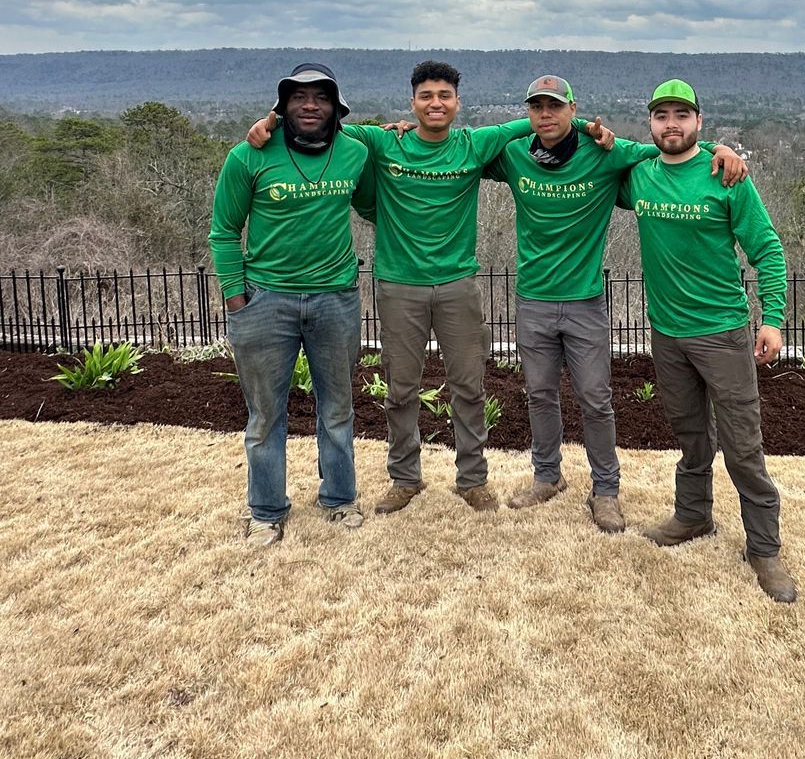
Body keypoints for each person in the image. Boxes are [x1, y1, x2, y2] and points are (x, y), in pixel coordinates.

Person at [248, 60, 587, 517]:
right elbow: (321, 127)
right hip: (398, 286)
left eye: (444, 96)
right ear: (412, 102)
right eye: (426, 96)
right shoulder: (383, 141)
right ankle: (404, 477)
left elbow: (542, 119)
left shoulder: (474, 144)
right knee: (401, 390)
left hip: (457, 285)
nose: (435, 104)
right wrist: (266, 125)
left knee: (468, 386)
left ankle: (472, 479)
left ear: (457, 104)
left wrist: (590, 127)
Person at [484, 74, 746, 534]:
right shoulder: (512, 156)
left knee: (595, 400)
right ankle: (547, 477)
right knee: (540, 395)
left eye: (555, 106)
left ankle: (605, 490)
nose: (545, 115)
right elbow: (462, 150)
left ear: (572, 107)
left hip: (584, 301)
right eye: (536, 108)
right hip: (533, 300)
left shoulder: (607, 153)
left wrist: (719, 150)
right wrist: (405, 129)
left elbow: (669, 150)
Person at [618, 79, 796, 603]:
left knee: (743, 444)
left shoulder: (725, 176)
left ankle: (764, 548)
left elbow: (767, 248)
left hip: (721, 332)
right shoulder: (640, 175)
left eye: (681, 115)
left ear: (699, 121)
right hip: (667, 334)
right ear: (650, 124)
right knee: (691, 434)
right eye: (661, 116)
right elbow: (592, 147)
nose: (671, 124)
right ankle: (693, 516)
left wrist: (773, 319)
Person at [210, 61, 375, 550]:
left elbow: (368, 204)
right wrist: (237, 297)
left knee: (338, 408)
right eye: (298, 97)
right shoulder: (248, 156)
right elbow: (223, 230)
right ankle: (265, 511)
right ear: (281, 106)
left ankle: (340, 499)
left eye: (320, 97)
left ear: (335, 106)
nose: (309, 105)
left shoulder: (354, 152)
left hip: (335, 298)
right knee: (265, 415)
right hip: (265, 300)